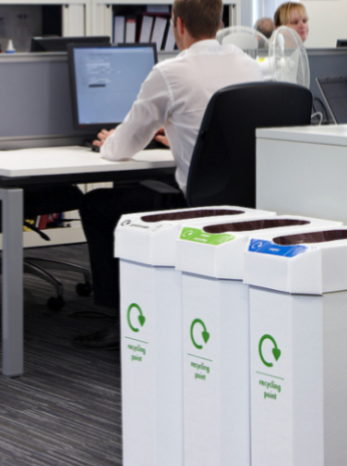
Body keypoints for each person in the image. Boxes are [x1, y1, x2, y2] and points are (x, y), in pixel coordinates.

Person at [74, 0, 262, 350]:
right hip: (250, 202)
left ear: (178, 25)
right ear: (220, 21)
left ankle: (123, 319)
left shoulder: (170, 72)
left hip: (196, 205)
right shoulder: (252, 67)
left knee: (96, 204)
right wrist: (177, 135)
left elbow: (123, 146)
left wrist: (108, 140)